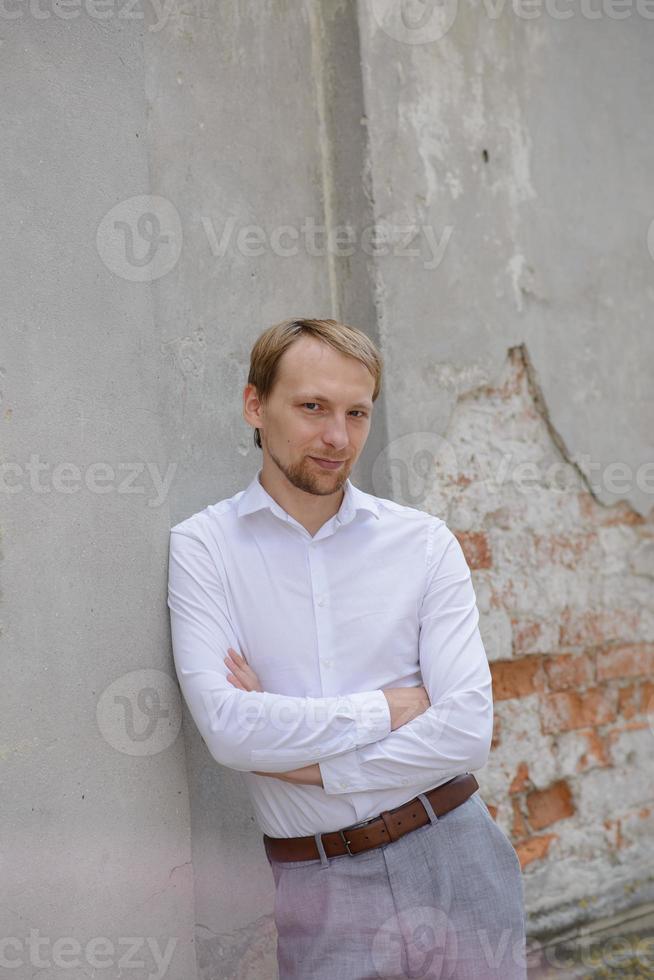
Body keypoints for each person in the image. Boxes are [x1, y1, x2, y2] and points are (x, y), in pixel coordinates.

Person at [167, 317, 527, 979]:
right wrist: (390, 709)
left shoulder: (422, 544)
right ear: (255, 405)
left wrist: (305, 764)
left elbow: (468, 732)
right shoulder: (204, 548)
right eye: (312, 408)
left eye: (356, 413)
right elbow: (229, 731)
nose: (337, 438)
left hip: (456, 848)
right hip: (319, 882)